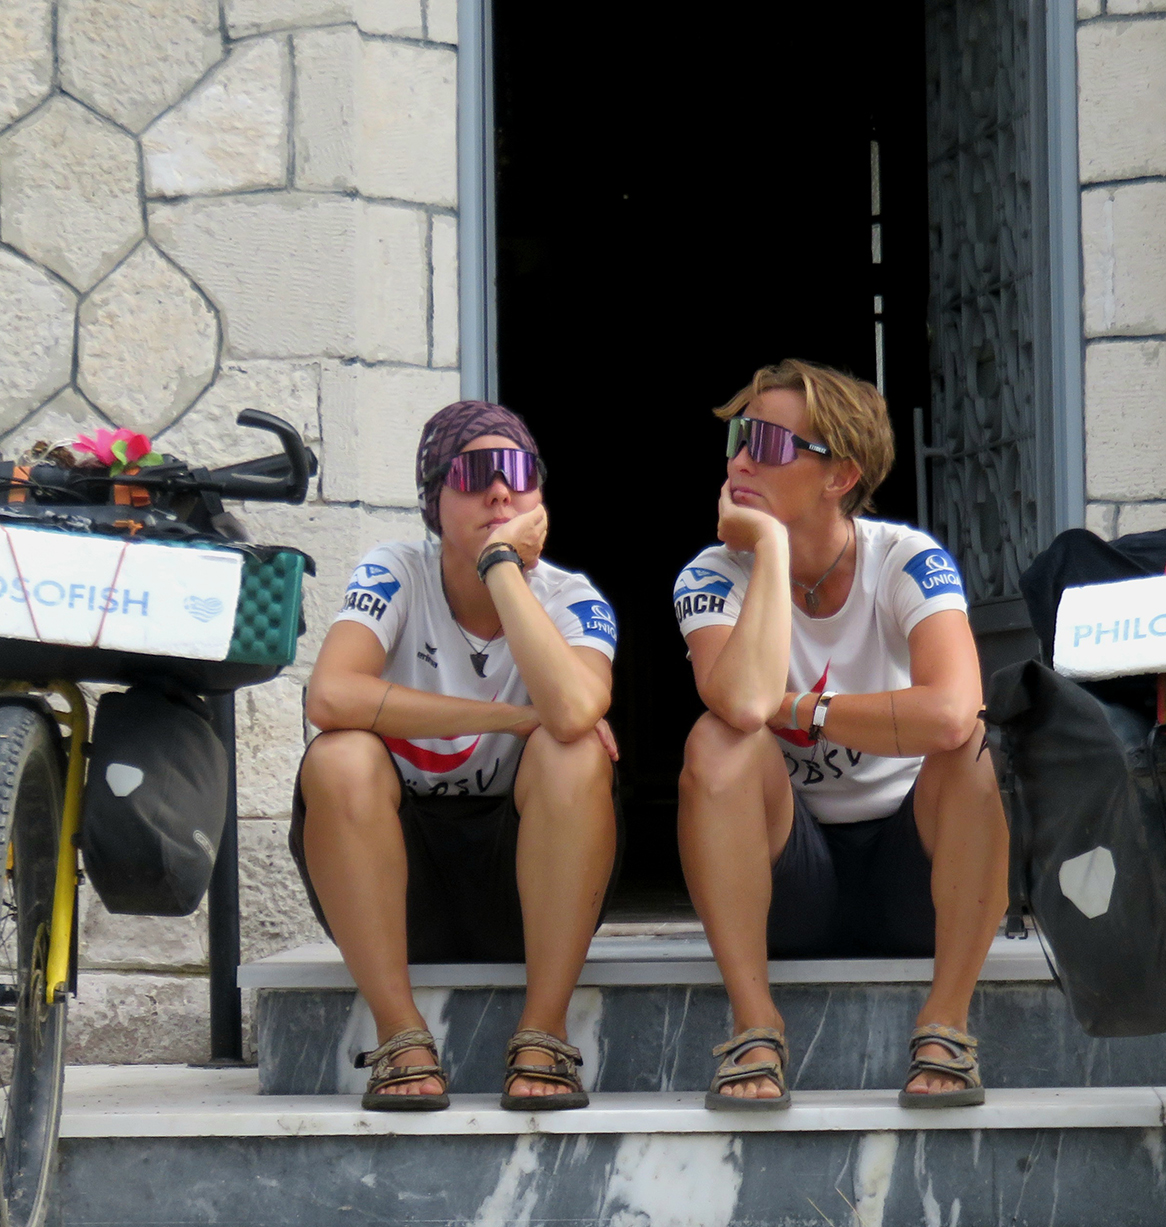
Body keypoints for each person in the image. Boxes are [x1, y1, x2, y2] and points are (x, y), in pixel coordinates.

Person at [674, 360, 1008, 1111]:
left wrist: (805, 712)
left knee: (976, 748)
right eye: (737, 437)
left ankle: (947, 1023)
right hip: (792, 875)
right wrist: (769, 551)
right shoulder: (713, 572)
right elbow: (735, 701)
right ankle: (754, 1025)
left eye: (766, 440)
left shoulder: (905, 561)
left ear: (839, 475)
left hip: (909, 869)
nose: (739, 459)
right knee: (716, 743)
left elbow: (953, 710)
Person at [295, 401, 619, 1112]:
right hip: (397, 887)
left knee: (574, 755)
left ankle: (545, 1028)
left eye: (518, 472)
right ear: (433, 503)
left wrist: (502, 564)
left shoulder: (572, 598)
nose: (499, 492)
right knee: (339, 756)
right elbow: (330, 695)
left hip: (525, 888)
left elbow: (570, 714)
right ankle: (400, 1034)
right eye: (474, 474)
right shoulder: (396, 571)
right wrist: (507, 716)